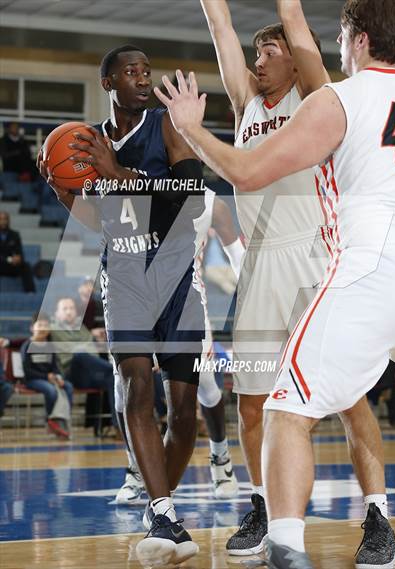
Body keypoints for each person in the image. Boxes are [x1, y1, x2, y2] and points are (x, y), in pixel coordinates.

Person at [154, 0, 395, 567]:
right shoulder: (251, 104)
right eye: (256, 53)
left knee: (346, 400)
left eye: (271, 50)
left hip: (325, 253)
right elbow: (219, 24)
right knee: (256, 401)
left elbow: (298, 25)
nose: (260, 59)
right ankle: (263, 504)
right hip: (264, 260)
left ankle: (370, 516)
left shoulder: (323, 94)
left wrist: (190, 130)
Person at [38, 45, 206, 567]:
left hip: (177, 271)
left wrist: (117, 172)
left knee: (184, 413)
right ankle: (161, 508)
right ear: (107, 81)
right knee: (137, 381)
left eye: (145, 72)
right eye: (130, 72)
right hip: (127, 271)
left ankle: (163, 508)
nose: (141, 78)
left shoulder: (165, 125)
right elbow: (99, 221)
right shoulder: (85, 142)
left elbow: (189, 192)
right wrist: (68, 195)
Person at [114, 191, 242, 507]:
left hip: (185, 305)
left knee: (207, 385)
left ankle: (220, 457)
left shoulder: (213, 204)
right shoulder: (130, 182)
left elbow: (240, 260)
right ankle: (135, 468)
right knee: (123, 387)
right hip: (133, 301)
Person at [50, 297, 117, 429]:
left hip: (88, 373)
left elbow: (93, 352)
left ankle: (117, 426)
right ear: (57, 313)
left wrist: (80, 347)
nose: (69, 312)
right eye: (65, 309)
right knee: (79, 354)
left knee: (112, 378)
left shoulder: (82, 328)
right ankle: (114, 368)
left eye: (71, 308)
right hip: (69, 373)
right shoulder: (51, 329)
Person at [20, 312, 73, 438]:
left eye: (46, 325)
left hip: (49, 378)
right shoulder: (27, 346)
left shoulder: (51, 346)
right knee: (51, 390)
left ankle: (62, 420)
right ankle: (51, 422)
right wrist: (46, 377)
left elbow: (55, 366)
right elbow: (26, 371)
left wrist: (58, 377)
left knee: (68, 386)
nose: (43, 328)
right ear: (32, 328)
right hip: (32, 380)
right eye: (40, 325)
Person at [0, 211, 35, 292]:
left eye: (5, 219)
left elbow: (20, 253)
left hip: (11, 266)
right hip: (1, 264)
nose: (3, 221)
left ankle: (31, 293)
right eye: (1, 219)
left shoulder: (15, 235)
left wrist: (19, 258)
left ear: (9, 221)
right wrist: (9, 259)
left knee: (26, 266)